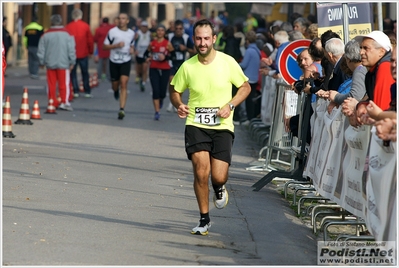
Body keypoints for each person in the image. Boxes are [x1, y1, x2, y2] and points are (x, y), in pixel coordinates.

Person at [169, 19, 251, 235]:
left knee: (218, 175)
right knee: (200, 171)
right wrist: (179, 104)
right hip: (196, 123)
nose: (202, 43)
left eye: (206, 38)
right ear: (193, 39)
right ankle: (204, 220)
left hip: (222, 125)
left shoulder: (227, 62)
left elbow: (245, 86)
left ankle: (219, 187)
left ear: (214, 39)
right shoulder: (188, 66)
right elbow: (174, 90)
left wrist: (231, 104)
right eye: (198, 38)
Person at [37, 14, 76, 111]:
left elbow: (41, 50)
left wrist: (41, 62)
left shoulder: (45, 35)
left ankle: (52, 101)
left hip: (50, 63)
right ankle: (64, 101)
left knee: (51, 84)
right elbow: (71, 49)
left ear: (51, 23)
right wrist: (72, 61)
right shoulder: (68, 34)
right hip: (64, 62)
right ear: (61, 22)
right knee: (64, 84)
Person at [103, 12, 135, 120]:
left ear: (127, 21)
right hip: (114, 61)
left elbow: (132, 45)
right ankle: (115, 91)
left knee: (124, 83)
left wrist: (132, 50)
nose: (121, 20)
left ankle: (122, 109)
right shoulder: (112, 32)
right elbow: (104, 46)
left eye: (123, 18)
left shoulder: (131, 33)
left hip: (126, 60)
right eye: (119, 18)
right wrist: (116, 45)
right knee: (115, 85)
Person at [355, 31, 395, 111]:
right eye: (361, 48)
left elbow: (381, 109)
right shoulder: (375, 69)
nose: (361, 52)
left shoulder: (385, 67)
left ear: (381, 51)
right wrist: (361, 105)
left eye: (366, 48)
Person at [165, 19, 195, 112]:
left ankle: (177, 102)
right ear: (174, 29)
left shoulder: (186, 38)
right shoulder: (170, 37)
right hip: (172, 62)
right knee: (171, 82)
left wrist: (185, 48)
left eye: (180, 28)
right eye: (176, 28)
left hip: (182, 63)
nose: (178, 30)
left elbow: (194, 50)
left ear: (183, 29)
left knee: (180, 85)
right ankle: (171, 102)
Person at [66, 8, 94, 98]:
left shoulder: (68, 26)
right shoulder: (85, 26)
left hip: (72, 53)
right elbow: (90, 40)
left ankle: (75, 90)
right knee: (85, 72)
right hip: (83, 52)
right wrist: (91, 51)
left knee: (73, 73)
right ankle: (87, 90)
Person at [147, 24, 173, 120]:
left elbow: (173, 55)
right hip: (154, 68)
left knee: (162, 91)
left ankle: (161, 99)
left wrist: (165, 57)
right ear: (156, 32)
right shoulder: (152, 43)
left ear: (164, 32)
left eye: (162, 30)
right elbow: (146, 53)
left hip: (165, 68)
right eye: (158, 30)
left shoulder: (167, 43)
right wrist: (148, 58)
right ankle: (157, 112)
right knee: (155, 90)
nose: (160, 32)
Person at [239, 30, 261, 123]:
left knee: (247, 100)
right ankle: (251, 118)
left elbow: (244, 65)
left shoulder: (249, 50)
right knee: (251, 99)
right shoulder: (257, 50)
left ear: (247, 40)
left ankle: (248, 118)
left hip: (248, 78)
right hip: (255, 78)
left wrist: (236, 64)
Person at [93, 17, 114, 82]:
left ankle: (99, 76)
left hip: (101, 48)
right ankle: (108, 76)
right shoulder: (111, 29)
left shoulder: (99, 29)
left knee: (100, 63)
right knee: (108, 64)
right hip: (109, 48)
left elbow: (95, 39)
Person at [134, 20, 151, 91]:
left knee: (145, 68)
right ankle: (139, 77)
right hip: (139, 53)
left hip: (146, 54)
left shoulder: (149, 34)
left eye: (145, 27)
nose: (144, 28)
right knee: (139, 69)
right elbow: (133, 42)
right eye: (143, 27)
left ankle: (143, 82)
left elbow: (152, 43)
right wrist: (135, 50)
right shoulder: (138, 33)